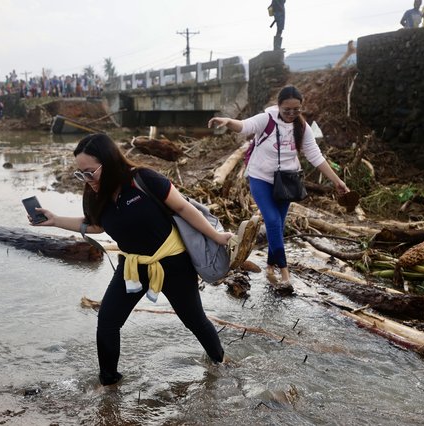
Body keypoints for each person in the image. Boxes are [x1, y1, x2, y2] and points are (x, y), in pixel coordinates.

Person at [31, 133, 234, 386]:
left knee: (194, 320)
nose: (86, 179)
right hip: (133, 266)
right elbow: (96, 227)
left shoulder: (143, 179)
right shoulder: (94, 193)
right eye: (80, 174)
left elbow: (183, 208)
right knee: (107, 321)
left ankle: (221, 366)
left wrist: (216, 235)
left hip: (172, 261)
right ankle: (109, 384)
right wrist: (55, 220)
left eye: (89, 172)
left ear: (109, 161)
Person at [207, 86, 350, 286]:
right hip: (260, 178)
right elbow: (244, 126)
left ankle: (269, 267)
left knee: (278, 227)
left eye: (296, 109)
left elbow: (315, 156)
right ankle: (284, 272)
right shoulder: (266, 120)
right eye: (287, 110)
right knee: (273, 221)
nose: (291, 114)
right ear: (279, 106)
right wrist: (228, 121)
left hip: (287, 182)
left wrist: (337, 181)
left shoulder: (302, 127)